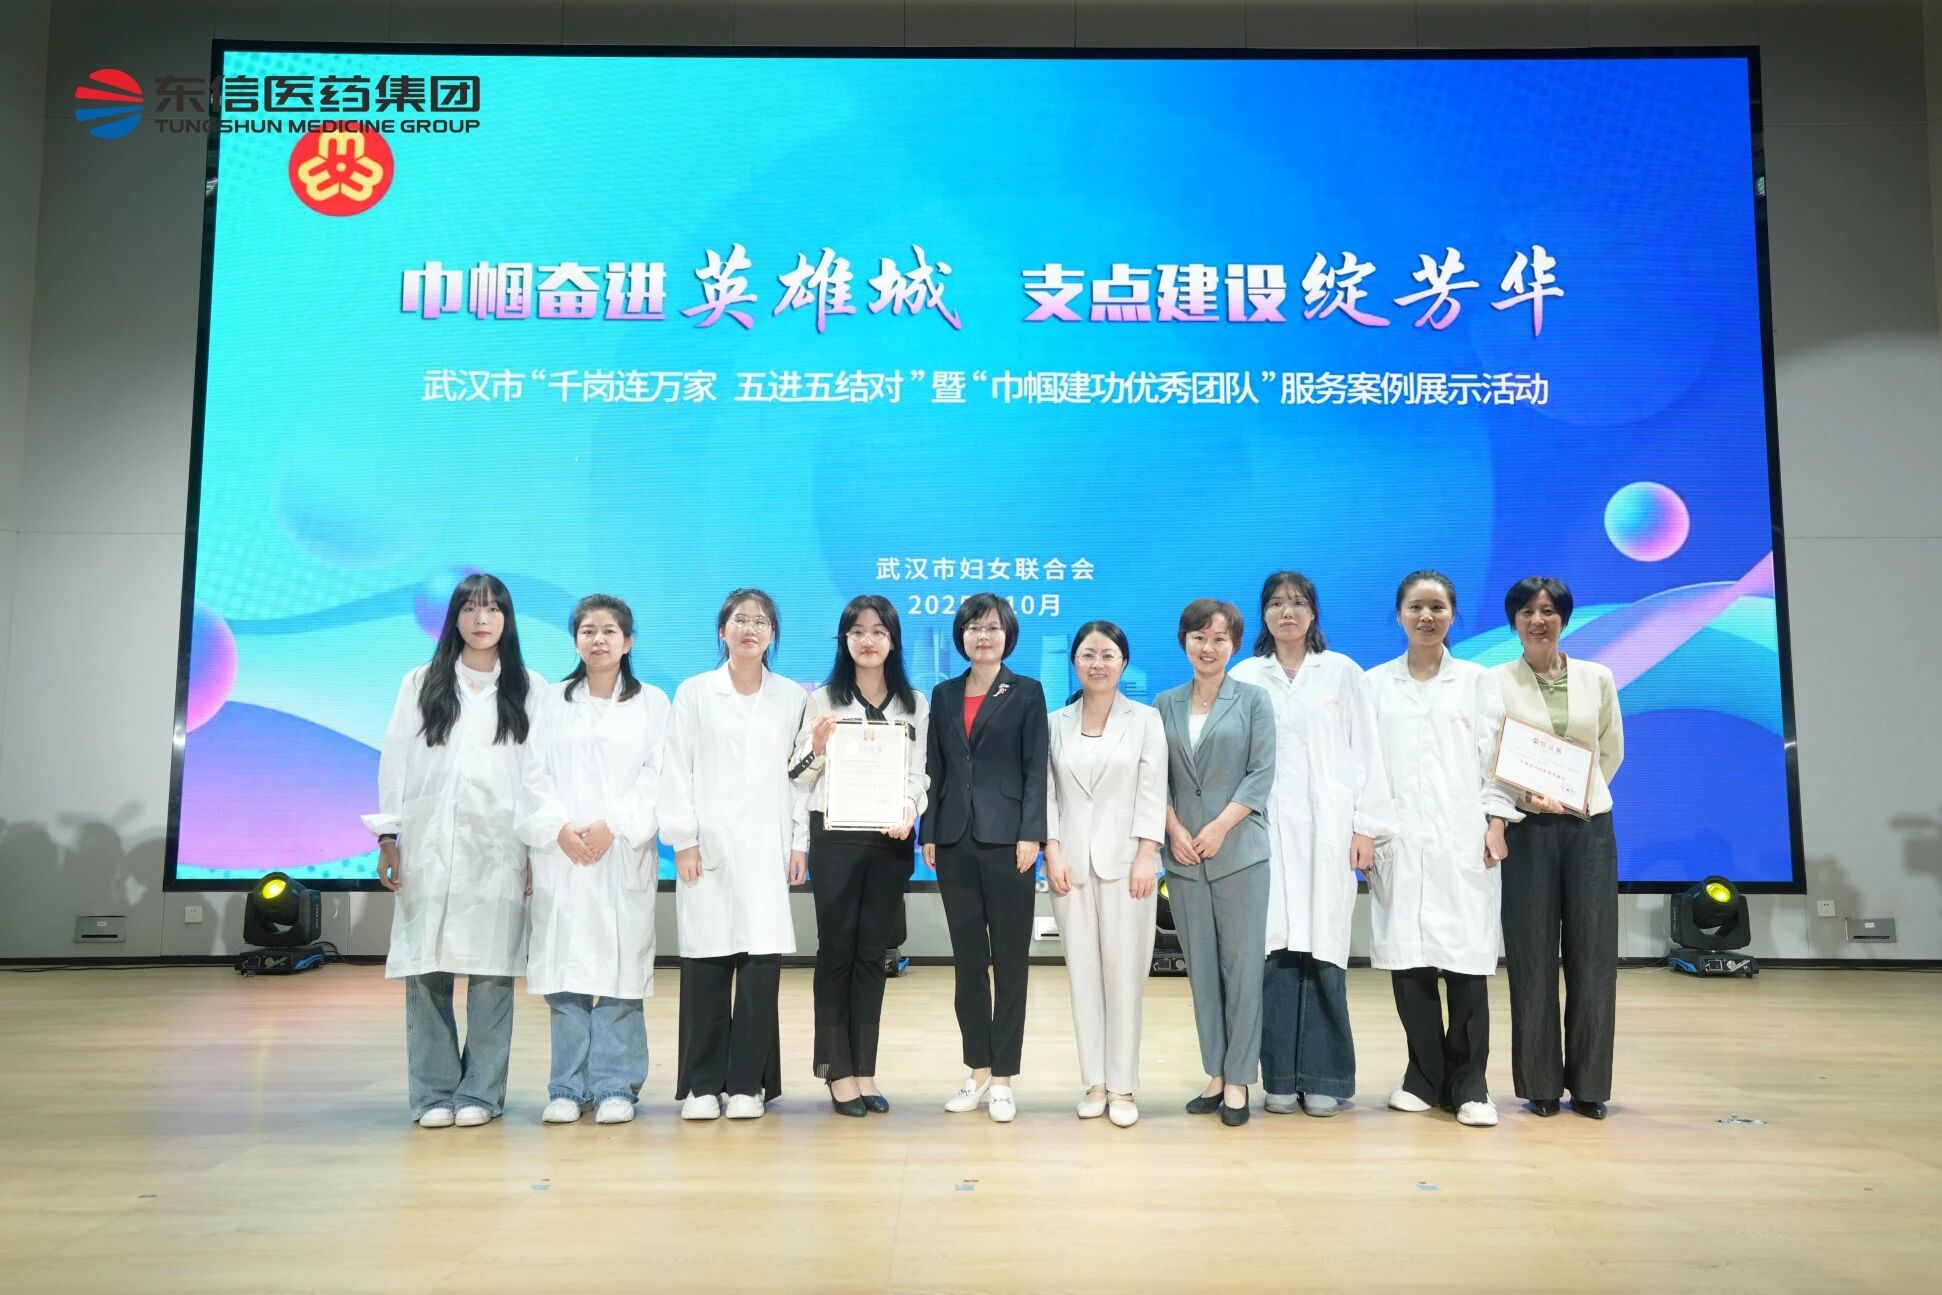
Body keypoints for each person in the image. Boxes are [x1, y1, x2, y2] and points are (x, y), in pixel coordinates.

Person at [364, 573, 541, 1129]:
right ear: (455, 618)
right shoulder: (422, 682)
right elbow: (395, 759)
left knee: (492, 976)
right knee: (427, 972)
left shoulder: (528, 688)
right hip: (430, 846)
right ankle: (433, 1093)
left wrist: (534, 848)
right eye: (469, 608)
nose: (481, 620)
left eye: (492, 609)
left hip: (500, 848)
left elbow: (539, 775)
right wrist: (388, 836)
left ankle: (482, 1094)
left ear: (507, 619)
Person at [1230, 571, 1395, 1118]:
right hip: (1267, 833)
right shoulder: (1246, 675)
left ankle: (1324, 1076)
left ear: (1314, 613)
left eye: (1298, 603)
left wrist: (1365, 827)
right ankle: (1279, 1077)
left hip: (1330, 834)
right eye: (1277, 603)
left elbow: (1367, 753)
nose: (1288, 612)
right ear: (1263, 614)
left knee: (1324, 949)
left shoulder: (1343, 672)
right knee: (1275, 951)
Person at [1365, 571, 1517, 1128]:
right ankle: (1422, 1077)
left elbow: (1496, 759)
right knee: (1410, 963)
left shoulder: (1477, 682)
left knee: (1466, 962)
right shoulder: (1375, 684)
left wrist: (1496, 821)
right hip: (1400, 840)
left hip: (1463, 839)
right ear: (1399, 614)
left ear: (1452, 614)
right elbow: (1365, 767)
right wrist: (1367, 830)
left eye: (1437, 607)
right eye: (1415, 607)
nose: (1426, 617)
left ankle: (1470, 1083)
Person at [517, 595, 671, 1127]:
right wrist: (558, 830)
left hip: (620, 850)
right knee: (566, 975)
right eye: (588, 630)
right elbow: (532, 772)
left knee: (622, 976)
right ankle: (567, 1086)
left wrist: (614, 825)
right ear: (576, 640)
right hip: (563, 854)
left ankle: (616, 1086)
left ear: (628, 642)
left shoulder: (652, 703)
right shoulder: (550, 700)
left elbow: (658, 774)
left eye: (609, 630)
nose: (598, 639)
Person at [660, 589, 809, 1121]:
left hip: (768, 848)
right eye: (740, 620)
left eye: (761, 621)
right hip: (708, 848)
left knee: (760, 968)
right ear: (722, 630)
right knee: (706, 964)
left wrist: (799, 841)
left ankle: (748, 1083)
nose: (751, 628)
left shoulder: (791, 697)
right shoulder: (696, 692)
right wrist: (683, 839)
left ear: (773, 634)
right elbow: (675, 769)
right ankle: (703, 1085)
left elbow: (801, 777)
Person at [789, 595, 929, 1116]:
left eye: (878, 631)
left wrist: (908, 809)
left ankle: (864, 1068)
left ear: (893, 640)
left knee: (874, 954)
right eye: (857, 631)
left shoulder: (914, 703)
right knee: (837, 953)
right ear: (844, 640)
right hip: (836, 838)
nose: (867, 640)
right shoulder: (822, 700)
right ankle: (837, 1071)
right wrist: (818, 746)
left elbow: (919, 774)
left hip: (890, 840)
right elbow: (796, 774)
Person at [1491, 577, 1625, 1119]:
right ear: (1514, 621)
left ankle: (1590, 1085)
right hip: (1526, 827)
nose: (1538, 620)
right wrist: (1528, 798)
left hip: (1589, 825)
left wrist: (1576, 793)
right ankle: (1540, 1084)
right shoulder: (1494, 681)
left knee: (1594, 957)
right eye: (1526, 611)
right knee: (1532, 956)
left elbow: (1610, 749)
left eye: (1548, 610)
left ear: (1564, 618)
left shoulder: (1598, 677)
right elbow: (1491, 753)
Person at [921, 592, 1050, 1123]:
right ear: (962, 636)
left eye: (993, 627)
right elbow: (935, 768)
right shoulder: (944, 693)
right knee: (968, 963)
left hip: (1009, 843)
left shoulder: (1027, 691)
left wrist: (1032, 833)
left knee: (1011, 964)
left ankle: (1003, 1079)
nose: (983, 635)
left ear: (1007, 635)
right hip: (955, 841)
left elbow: (1036, 767)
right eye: (974, 627)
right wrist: (929, 831)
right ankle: (976, 1069)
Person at [1155, 598, 1276, 1128]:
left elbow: (1260, 773)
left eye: (1219, 638)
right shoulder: (1164, 703)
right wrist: (1174, 829)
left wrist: (1220, 826)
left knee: (1242, 970)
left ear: (1235, 645)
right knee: (1202, 972)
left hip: (1239, 853)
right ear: (1184, 641)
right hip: (1183, 858)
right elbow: (1153, 777)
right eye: (1199, 637)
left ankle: (1240, 1079)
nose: (1208, 647)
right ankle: (1216, 1073)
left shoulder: (1253, 700)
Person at [1043, 621, 1166, 1129]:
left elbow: (1153, 790)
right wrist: (1052, 850)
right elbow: (1046, 793)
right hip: (1070, 865)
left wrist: (1147, 854)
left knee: (1124, 977)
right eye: (1088, 654)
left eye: (1108, 654)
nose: (1098, 663)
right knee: (1083, 977)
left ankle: (1123, 1085)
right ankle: (1094, 1081)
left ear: (1123, 662)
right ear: (1075, 661)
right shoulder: (1054, 722)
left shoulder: (1146, 720)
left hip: (1127, 865)